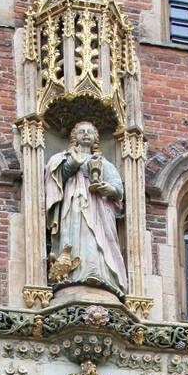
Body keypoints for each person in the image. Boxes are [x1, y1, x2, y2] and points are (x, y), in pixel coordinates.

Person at [45, 120, 127, 295]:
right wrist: (74, 163)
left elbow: (117, 187)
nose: (86, 134)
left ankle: (98, 273)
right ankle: (73, 274)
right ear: (75, 137)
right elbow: (57, 177)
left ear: (96, 138)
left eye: (90, 132)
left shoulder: (103, 163)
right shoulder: (65, 157)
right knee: (76, 235)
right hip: (73, 202)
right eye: (82, 131)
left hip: (98, 206)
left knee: (97, 237)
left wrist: (108, 189)